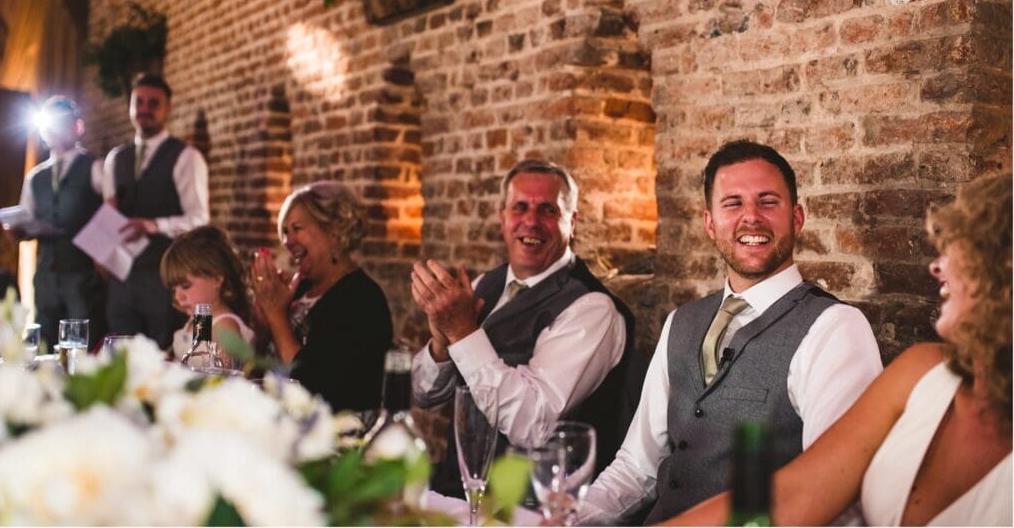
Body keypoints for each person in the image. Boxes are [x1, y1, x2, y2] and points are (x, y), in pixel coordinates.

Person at [664, 171, 1012, 527]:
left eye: (968, 253)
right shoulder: (921, 370)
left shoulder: (832, 325)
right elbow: (798, 492)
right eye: (732, 203)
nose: (936, 267)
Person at [579, 139, 883, 525]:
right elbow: (637, 467)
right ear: (710, 223)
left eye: (768, 202)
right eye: (733, 203)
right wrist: (571, 520)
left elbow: (835, 496)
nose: (751, 217)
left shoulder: (835, 329)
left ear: (797, 218)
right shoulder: (680, 323)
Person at [411, 158, 637, 498]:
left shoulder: (592, 308)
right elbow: (423, 394)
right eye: (520, 207)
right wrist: (442, 345)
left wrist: (462, 333)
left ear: (571, 221)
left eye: (548, 210)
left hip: (531, 505)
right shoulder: (484, 285)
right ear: (503, 217)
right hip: (457, 488)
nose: (531, 221)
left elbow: (533, 426)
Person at [251, 180, 392, 412]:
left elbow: (312, 387)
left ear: (334, 231)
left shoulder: (362, 299)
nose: (287, 241)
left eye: (297, 228)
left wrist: (276, 314)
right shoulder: (299, 289)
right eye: (285, 232)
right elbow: (258, 372)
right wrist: (264, 326)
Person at [103, 73, 209, 349]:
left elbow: (200, 219)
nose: (145, 109)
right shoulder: (116, 158)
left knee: (162, 353)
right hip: (120, 278)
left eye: (153, 103)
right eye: (138, 102)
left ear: (168, 109)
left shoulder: (187, 157)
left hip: (164, 279)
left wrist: (155, 225)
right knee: (120, 355)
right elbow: (109, 212)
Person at [11, 96, 105, 350]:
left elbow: (114, 209)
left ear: (77, 127)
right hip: (46, 276)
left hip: (82, 274)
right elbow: (27, 217)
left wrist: (101, 254)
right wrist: (19, 231)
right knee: (44, 341)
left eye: (63, 123)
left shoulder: (94, 166)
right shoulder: (35, 177)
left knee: (82, 343)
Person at [160, 226, 255, 369]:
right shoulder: (203, 318)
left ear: (217, 279)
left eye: (186, 286)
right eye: (174, 289)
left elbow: (220, 374)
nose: (178, 296)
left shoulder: (225, 326)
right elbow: (193, 358)